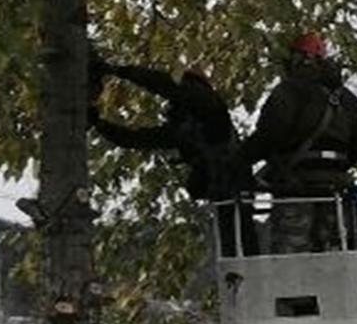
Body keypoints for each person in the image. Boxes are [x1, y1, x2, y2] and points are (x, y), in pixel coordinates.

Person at [89, 59, 257, 255]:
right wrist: (99, 124)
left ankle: (250, 276)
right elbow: (136, 139)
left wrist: (119, 70)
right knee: (231, 243)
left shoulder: (209, 107)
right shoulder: (185, 128)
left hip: (233, 187)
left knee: (240, 240)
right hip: (223, 189)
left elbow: (164, 85)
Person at [243, 33, 357, 253]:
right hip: (335, 193)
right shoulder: (347, 99)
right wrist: (337, 168)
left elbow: (268, 136)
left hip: (295, 190)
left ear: (300, 57)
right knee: (334, 259)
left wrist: (238, 160)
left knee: (291, 266)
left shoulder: (289, 91)